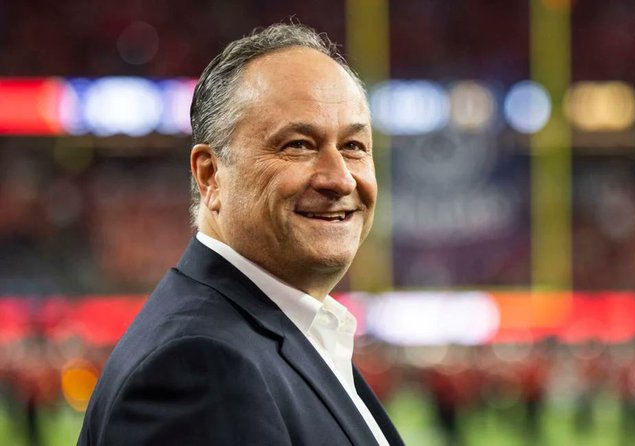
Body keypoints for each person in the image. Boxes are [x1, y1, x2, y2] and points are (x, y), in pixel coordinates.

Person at [77, 23, 404, 446]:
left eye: (353, 146)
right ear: (210, 176)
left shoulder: (274, 334)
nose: (340, 179)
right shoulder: (199, 363)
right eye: (299, 145)